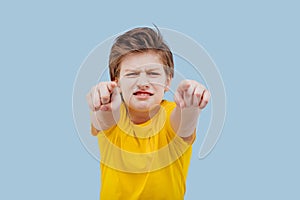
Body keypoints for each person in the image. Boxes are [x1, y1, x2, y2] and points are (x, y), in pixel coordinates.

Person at [86, 26, 210, 200]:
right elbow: (102, 119)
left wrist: (190, 104)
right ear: (117, 81)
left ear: (167, 81)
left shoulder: (171, 116)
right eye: (132, 74)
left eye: (152, 73)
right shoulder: (113, 116)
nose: (143, 82)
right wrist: (101, 101)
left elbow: (184, 122)